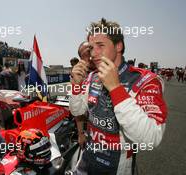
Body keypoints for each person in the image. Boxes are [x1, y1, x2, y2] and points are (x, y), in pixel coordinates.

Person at [69, 18, 167, 175]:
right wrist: (75, 85)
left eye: (101, 46)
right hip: (87, 159)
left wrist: (115, 88)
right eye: (91, 48)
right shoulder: (92, 76)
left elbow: (151, 138)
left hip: (117, 166)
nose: (94, 53)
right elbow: (77, 111)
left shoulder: (145, 80)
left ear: (119, 46)